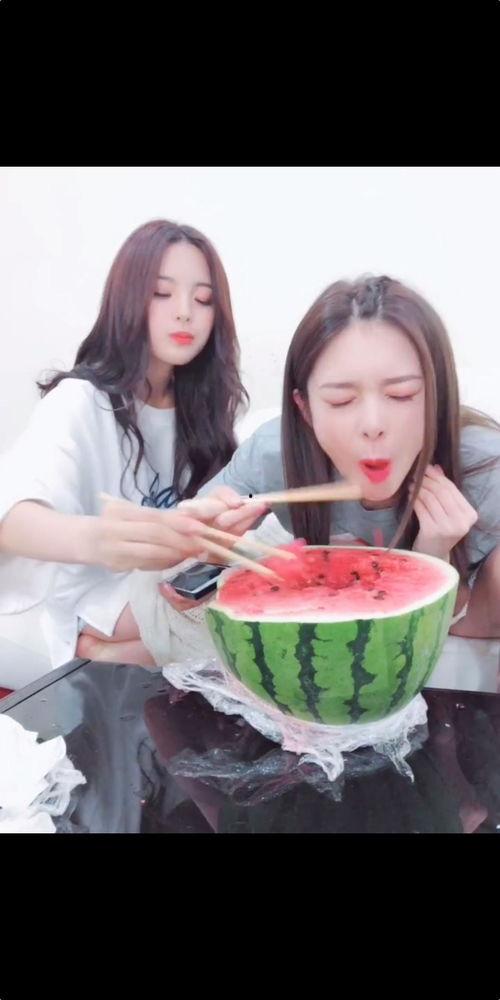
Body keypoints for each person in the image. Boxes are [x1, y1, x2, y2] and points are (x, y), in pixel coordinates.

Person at [0, 219, 262, 670]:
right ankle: (101, 651)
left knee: (256, 583)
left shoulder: (201, 410)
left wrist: (217, 528)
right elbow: (12, 520)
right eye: (162, 293)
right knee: (234, 629)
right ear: (127, 298)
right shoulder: (80, 401)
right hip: (85, 600)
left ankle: (106, 655)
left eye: (203, 299)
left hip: (154, 593)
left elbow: (192, 540)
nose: (185, 312)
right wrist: (99, 540)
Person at [191, 274, 500, 639]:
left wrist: (433, 554)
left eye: (401, 395)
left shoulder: (486, 468)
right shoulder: (274, 454)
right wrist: (207, 542)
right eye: (341, 401)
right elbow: (194, 539)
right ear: (305, 408)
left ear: (438, 395)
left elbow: (451, 616)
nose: (373, 425)